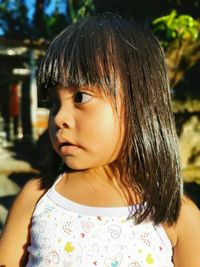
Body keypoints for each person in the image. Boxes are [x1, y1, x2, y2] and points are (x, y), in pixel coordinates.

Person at [0, 14, 200, 267]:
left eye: (81, 97)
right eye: (52, 103)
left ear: (141, 103)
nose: (59, 117)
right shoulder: (37, 199)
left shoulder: (176, 216)